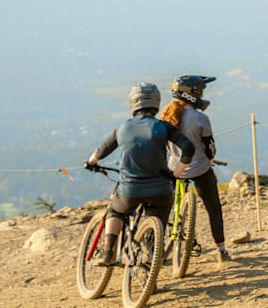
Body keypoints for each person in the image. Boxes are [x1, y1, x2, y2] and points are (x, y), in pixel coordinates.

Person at [84, 82, 196, 266]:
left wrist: (91, 162)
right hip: (161, 189)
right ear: (156, 103)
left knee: (115, 210)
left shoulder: (123, 127)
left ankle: (108, 252)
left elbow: (102, 150)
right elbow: (188, 148)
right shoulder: (163, 126)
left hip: (130, 191)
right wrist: (176, 173)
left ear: (133, 103)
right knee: (157, 217)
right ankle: (153, 257)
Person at [159, 74, 232, 263]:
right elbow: (210, 148)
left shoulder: (166, 115)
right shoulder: (201, 118)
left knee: (165, 208)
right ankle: (221, 249)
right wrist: (210, 159)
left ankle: (155, 246)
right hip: (200, 168)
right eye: (201, 90)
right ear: (193, 93)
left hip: (175, 168)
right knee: (213, 208)